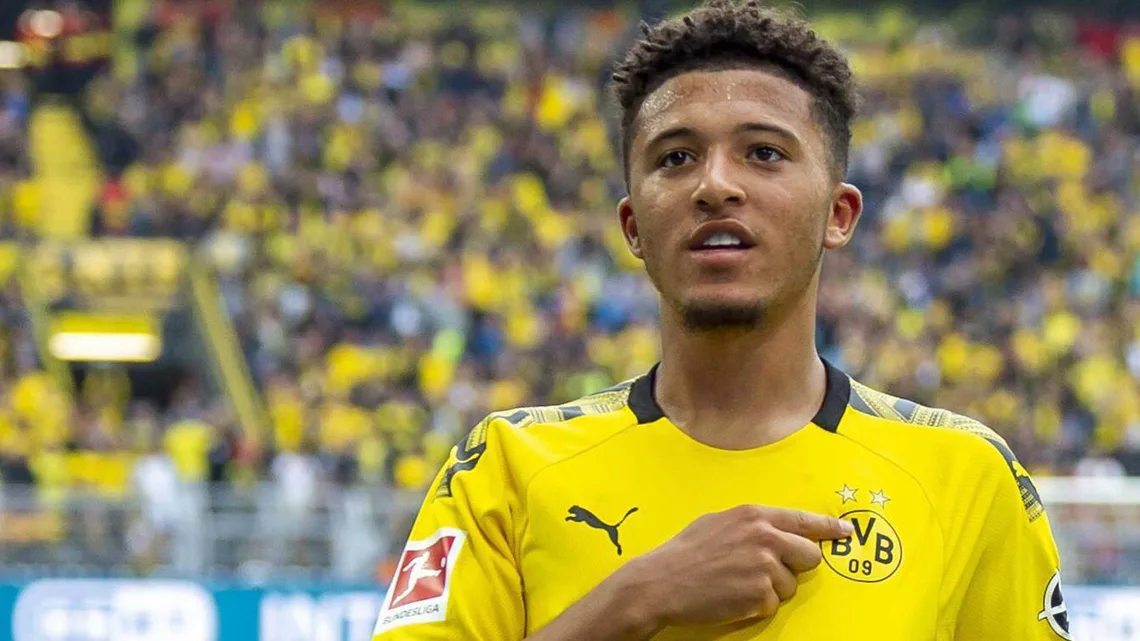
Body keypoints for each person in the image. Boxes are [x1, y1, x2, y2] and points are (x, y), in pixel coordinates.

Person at [371, 1, 1070, 639]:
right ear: (633, 225)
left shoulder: (964, 474)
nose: (715, 185)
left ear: (838, 214)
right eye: (676, 157)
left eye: (764, 152)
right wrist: (634, 602)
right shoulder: (505, 466)